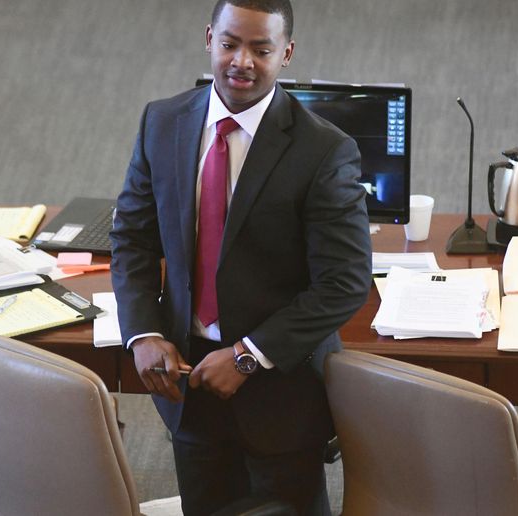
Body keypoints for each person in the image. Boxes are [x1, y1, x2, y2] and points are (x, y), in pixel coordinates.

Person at [109, 0, 372, 513]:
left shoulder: (324, 151)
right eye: (230, 44)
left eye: (261, 49)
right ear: (209, 38)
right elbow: (133, 239)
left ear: (287, 53)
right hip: (189, 385)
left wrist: (248, 355)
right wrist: (143, 332)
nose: (242, 62)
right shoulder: (161, 123)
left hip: (282, 398)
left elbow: (344, 282)